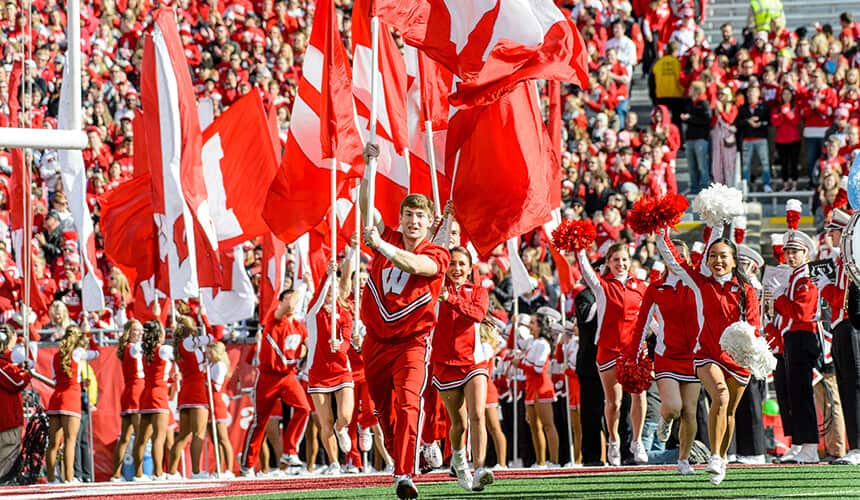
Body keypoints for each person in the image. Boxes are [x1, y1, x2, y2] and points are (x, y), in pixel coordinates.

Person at [358, 164, 450, 499]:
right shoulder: (391, 237)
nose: (413, 221)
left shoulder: (437, 252)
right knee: (383, 410)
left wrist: (379, 245)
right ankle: (398, 454)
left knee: (409, 403)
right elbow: (366, 205)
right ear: (401, 218)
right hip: (376, 342)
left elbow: (415, 266)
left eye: (419, 216)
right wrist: (369, 169)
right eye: (408, 214)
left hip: (413, 342)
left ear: (429, 221)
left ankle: (404, 474)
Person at [656, 229, 761, 485]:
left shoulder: (747, 290)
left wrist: (750, 345)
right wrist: (661, 232)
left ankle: (722, 457)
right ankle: (714, 456)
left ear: (734, 261)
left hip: (738, 359)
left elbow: (755, 326)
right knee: (720, 395)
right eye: (712, 255)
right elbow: (674, 260)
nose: (717, 261)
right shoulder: (699, 283)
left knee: (728, 412)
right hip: (707, 354)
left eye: (723, 256)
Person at [631, 241, 701, 475]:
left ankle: (683, 459)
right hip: (666, 355)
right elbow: (642, 323)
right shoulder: (656, 287)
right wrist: (633, 355)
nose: (674, 259)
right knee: (673, 408)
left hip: (693, 356)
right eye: (670, 254)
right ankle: (666, 420)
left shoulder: (696, 285)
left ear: (687, 259)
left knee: (690, 412)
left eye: (680, 255)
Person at [576, 243, 648, 466]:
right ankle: (613, 441)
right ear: (608, 262)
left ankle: (637, 441)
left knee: (639, 395)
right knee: (614, 402)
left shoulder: (641, 286)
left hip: (634, 350)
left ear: (630, 261)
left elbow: (650, 317)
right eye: (615, 260)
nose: (621, 264)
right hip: (609, 349)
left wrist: (661, 337)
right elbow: (586, 270)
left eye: (624, 259)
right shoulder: (602, 286)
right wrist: (578, 248)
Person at [431, 245, 493, 490]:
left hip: (474, 361)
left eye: (461, 264)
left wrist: (452, 299)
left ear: (469, 269)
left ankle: (479, 469)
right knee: (459, 424)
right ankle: (459, 460)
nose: (457, 269)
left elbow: (477, 314)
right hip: (445, 364)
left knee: (478, 414)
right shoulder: (435, 290)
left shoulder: (479, 291)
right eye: (453, 264)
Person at [240, 288, 311, 476]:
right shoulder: (274, 317)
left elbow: (306, 344)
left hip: (288, 376)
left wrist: (305, 350)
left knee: (304, 408)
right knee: (260, 421)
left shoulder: (298, 325)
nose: (292, 304)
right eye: (287, 300)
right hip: (268, 377)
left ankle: (290, 451)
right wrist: (303, 284)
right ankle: (247, 464)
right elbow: (289, 304)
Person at [770, 230, 821, 464]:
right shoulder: (794, 278)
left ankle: (810, 445)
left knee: (802, 394)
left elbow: (800, 312)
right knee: (795, 395)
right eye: (787, 252)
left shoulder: (805, 279)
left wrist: (779, 297)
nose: (790, 256)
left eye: (795, 252)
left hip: (802, 336)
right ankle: (801, 443)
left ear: (806, 253)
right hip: (793, 338)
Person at [305, 260, 355, 475]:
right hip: (318, 372)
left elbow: (347, 339)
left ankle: (341, 428)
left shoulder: (344, 313)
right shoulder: (313, 314)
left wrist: (340, 345)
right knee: (324, 420)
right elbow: (317, 299)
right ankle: (334, 462)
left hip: (341, 370)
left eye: (334, 289)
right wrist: (327, 276)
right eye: (327, 289)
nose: (329, 293)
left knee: (345, 416)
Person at [45, 324, 99, 484]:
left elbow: (56, 380)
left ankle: (50, 479)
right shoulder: (78, 353)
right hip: (71, 398)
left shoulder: (55, 356)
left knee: (53, 442)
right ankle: (69, 477)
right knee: (70, 440)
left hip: (56, 398)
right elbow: (97, 352)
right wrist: (88, 334)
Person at [167, 317, 212, 479]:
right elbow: (211, 337)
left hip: (186, 391)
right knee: (198, 434)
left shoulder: (182, 345)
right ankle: (196, 472)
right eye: (193, 326)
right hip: (196, 390)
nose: (196, 328)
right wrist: (205, 318)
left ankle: (171, 472)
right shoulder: (188, 342)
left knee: (184, 434)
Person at [516, 308, 562, 468]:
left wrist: (520, 364)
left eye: (533, 323)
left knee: (548, 425)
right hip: (530, 388)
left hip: (542, 388)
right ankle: (540, 461)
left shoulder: (543, 344)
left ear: (541, 326)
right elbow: (515, 343)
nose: (530, 326)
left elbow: (538, 368)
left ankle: (554, 461)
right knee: (534, 427)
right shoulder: (532, 343)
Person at [133, 320, 173, 481]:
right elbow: (180, 354)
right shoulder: (163, 350)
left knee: (141, 438)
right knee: (159, 437)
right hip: (159, 395)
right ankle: (158, 473)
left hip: (146, 395)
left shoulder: (143, 350)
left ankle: (138, 473)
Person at [111, 320, 144, 481]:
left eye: (141, 331)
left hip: (130, 391)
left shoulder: (126, 348)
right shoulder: (133, 348)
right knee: (139, 435)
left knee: (125, 437)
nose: (140, 333)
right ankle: (139, 473)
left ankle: (116, 475)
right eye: (136, 330)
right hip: (137, 391)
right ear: (128, 332)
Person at [0, 324, 31, 481]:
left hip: (9, 422)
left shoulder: (6, 363)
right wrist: (26, 373)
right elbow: (16, 383)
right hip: (6, 423)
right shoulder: (3, 365)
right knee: (6, 473)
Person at [206, 341, 235, 477]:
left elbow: (216, 385)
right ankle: (219, 468)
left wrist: (203, 381)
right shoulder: (210, 364)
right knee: (214, 439)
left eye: (210, 352)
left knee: (223, 438)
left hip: (216, 403)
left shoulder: (219, 365)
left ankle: (229, 469)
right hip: (208, 402)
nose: (207, 354)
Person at [737, 85, 773, 192]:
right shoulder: (742, 108)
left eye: (754, 92)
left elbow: (769, 122)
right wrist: (748, 121)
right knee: (746, 165)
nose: (752, 95)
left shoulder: (764, 107)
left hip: (761, 138)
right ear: (747, 94)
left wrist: (760, 123)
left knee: (765, 162)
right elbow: (738, 122)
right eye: (750, 92)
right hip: (747, 139)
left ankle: (766, 184)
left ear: (758, 94)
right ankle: (746, 185)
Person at [681, 81, 712, 195]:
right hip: (689, 138)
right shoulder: (689, 103)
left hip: (701, 138)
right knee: (691, 166)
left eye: (691, 89)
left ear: (696, 91)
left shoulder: (704, 103)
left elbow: (707, 119)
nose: (688, 91)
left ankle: (704, 187)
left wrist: (690, 118)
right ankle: (694, 187)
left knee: (702, 165)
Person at [772, 87, 802, 191]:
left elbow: (796, 121)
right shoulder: (776, 109)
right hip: (781, 140)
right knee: (783, 163)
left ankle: (794, 185)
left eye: (788, 94)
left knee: (794, 162)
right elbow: (775, 122)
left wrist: (787, 113)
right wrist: (783, 114)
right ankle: (785, 185)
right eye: (784, 94)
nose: (786, 96)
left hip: (794, 139)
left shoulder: (796, 107)